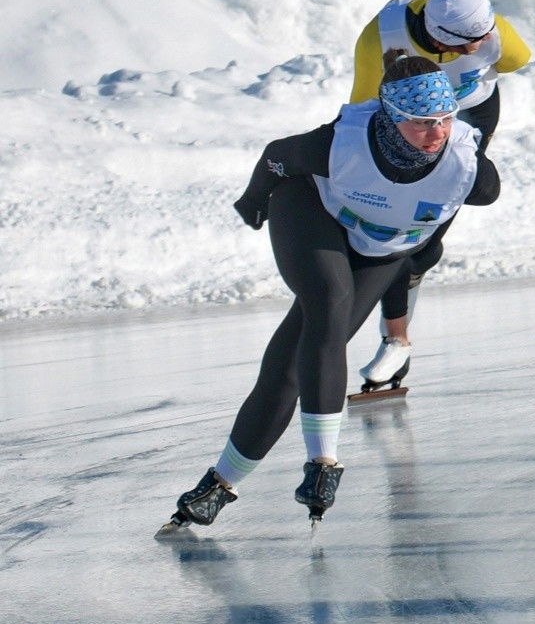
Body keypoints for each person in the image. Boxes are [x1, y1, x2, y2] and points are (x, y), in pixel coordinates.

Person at [162, 60, 501, 531]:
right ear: (389, 114)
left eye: (444, 119)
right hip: (311, 210)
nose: (436, 133)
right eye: (422, 123)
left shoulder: (476, 174)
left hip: (380, 249)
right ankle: (324, 464)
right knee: (328, 299)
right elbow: (276, 155)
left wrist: (424, 249)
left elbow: (451, 200)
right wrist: (254, 198)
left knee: (290, 367)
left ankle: (219, 483)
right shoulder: (340, 143)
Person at [347, 0, 529, 394]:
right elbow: (362, 110)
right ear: (436, 38)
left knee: (421, 237)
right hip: (407, 129)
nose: (477, 50)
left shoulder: (483, 27)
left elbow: (518, 58)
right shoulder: (381, 37)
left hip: (468, 121)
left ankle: (397, 339)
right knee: (401, 233)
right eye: (466, 46)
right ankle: (397, 339)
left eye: (481, 41)